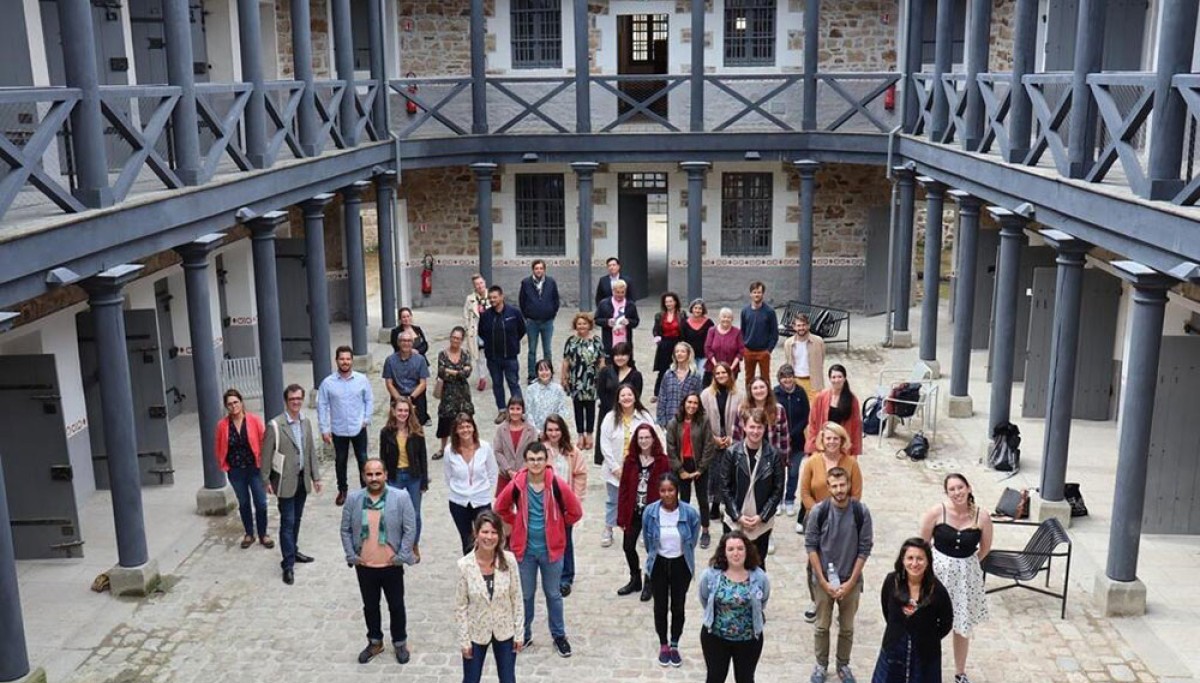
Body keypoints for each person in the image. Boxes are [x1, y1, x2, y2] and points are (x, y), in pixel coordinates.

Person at [495, 442, 584, 657]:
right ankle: (524, 634)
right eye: (532, 459)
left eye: (539, 459)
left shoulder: (557, 484)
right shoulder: (518, 484)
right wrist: (515, 521)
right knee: (525, 595)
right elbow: (500, 506)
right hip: (524, 551)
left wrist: (559, 524)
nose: (536, 463)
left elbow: (576, 511)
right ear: (526, 462)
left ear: (546, 461)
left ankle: (559, 635)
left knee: (553, 594)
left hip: (551, 551)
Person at [339, 458, 418, 665]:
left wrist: (402, 555)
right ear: (363, 476)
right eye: (369, 474)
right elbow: (345, 529)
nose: (374, 478)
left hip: (391, 565)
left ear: (385, 475)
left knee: (396, 605)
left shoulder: (400, 497)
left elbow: (410, 528)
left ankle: (399, 642)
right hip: (365, 565)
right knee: (370, 606)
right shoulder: (354, 499)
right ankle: (375, 642)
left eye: (377, 474)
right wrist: (351, 555)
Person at [918, 474, 992, 683]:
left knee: (962, 624)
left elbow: (985, 548)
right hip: (939, 572)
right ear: (947, 493)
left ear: (968, 488)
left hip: (966, 576)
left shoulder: (982, 517)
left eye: (960, 487)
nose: (957, 492)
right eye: (952, 489)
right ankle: (925, 668)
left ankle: (960, 672)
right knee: (930, 621)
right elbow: (922, 544)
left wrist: (966, 565)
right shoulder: (937, 512)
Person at [805, 467, 874, 683]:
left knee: (847, 628)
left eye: (842, 484)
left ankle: (843, 664)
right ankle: (821, 664)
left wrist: (851, 582)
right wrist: (823, 581)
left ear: (849, 484)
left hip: (850, 580)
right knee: (821, 626)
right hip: (823, 580)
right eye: (834, 486)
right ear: (828, 487)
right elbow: (811, 547)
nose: (839, 490)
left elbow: (864, 548)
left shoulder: (861, 512)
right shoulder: (819, 512)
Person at [800, 422, 865, 623]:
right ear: (822, 440)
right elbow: (805, 492)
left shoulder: (851, 464)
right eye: (828, 438)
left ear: (842, 440)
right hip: (816, 520)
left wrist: (842, 513)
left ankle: (844, 602)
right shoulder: (813, 462)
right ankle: (816, 600)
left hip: (845, 521)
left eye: (836, 438)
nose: (832, 442)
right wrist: (819, 514)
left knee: (845, 558)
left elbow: (856, 494)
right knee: (814, 560)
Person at [261, 384, 323, 585]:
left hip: (302, 479)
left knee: (297, 519)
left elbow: (310, 450)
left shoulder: (306, 422)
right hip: (285, 481)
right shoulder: (275, 425)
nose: (296, 402)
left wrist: (316, 477)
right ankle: (287, 564)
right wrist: (265, 480)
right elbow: (265, 455)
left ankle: (293, 551)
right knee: (287, 522)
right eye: (292, 399)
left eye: (298, 398)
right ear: (286, 401)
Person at [871, 538, 954, 683]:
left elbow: (946, 622)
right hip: (894, 647)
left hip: (925, 654)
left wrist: (927, 636)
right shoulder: (891, 582)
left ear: (928, 562)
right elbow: (887, 611)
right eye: (910, 558)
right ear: (902, 560)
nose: (914, 564)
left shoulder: (938, 591)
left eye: (920, 559)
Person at [456, 511, 524, 683]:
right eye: (485, 532)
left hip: (504, 629)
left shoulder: (509, 561)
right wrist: (464, 640)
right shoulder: (465, 566)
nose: (489, 537)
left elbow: (516, 597)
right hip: (477, 630)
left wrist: (519, 632)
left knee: (508, 679)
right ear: (476, 534)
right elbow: (461, 606)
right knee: (471, 679)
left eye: (494, 532)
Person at [643, 472, 701, 667]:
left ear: (677, 491)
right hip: (659, 563)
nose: (667, 494)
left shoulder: (690, 513)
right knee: (660, 606)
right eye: (663, 490)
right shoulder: (650, 512)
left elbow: (692, 540)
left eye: (670, 490)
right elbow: (648, 540)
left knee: (678, 606)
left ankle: (675, 643)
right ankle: (663, 644)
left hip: (680, 564)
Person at [698, 530, 770, 683]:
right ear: (724, 552)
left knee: (746, 679)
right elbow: (705, 598)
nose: (736, 553)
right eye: (731, 549)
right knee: (714, 678)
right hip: (715, 638)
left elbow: (762, 601)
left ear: (747, 551)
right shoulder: (710, 575)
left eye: (740, 548)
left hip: (748, 640)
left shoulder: (759, 577)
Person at [719, 408, 785, 569]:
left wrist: (762, 516)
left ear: (765, 428)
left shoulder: (774, 455)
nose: (755, 431)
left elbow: (778, 490)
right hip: (735, 520)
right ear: (744, 427)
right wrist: (737, 515)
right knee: (731, 564)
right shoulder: (732, 453)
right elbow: (725, 488)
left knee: (758, 564)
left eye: (759, 427)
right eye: (752, 427)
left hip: (761, 523)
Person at [615, 423, 671, 600]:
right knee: (628, 546)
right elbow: (624, 488)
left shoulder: (662, 461)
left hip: (653, 514)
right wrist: (621, 515)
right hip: (634, 511)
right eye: (641, 438)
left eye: (647, 437)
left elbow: (669, 489)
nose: (644, 441)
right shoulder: (631, 461)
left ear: (653, 439)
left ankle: (650, 581)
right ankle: (635, 578)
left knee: (652, 550)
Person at [598, 384, 656, 548]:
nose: (626, 398)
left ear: (635, 396)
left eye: (629, 394)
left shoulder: (644, 416)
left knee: (641, 500)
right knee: (613, 500)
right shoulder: (610, 418)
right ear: (618, 398)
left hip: (639, 468)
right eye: (623, 395)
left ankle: (644, 530)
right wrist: (615, 468)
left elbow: (652, 439)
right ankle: (608, 529)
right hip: (614, 469)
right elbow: (604, 444)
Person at [215, 388, 272, 549]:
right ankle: (249, 533)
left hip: (255, 468)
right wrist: (224, 464)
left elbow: (264, 442)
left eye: (236, 402)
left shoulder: (254, 420)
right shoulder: (222, 425)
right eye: (230, 404)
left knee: (261, 502)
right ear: (226, 407)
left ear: (241, 402)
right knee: (244, 502)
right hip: (236, 470)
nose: (233, 406)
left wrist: (266, 465)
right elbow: (218, 446)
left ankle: (263, 533)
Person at [318, 346, 374, 507]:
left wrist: (366, 419)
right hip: (339, 428)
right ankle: (342, 489)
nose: (345, 362)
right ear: (336, 360)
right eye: (342, 359)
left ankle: (366, 490)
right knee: (340, 460)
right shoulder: (327, 383)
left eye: (348, 359)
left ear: (352, 361)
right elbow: (322, 406)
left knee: (363, 459)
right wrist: (324, 429)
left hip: (358, 427)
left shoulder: (361, 379)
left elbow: (369, 399)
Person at [542, 414, 588, 596]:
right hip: (546, 503)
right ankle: (550, 573)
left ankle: (566, 576)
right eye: (550, 430)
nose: (553, 433)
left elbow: (580, 474)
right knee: (547, 540)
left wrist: (575, 499)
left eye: (556, 430)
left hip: (565, 503)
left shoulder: (572, 452)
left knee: (566, 539)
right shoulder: (541, 450)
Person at [666, 392, 717, 550]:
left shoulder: (704, 421)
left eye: (695, 403)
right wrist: (680, 470)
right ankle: (685, 529)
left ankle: (705, 530)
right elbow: (671, 448)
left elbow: (709, 445)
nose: (692, 406)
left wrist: (701, 469)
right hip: (682, 465)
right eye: (689, 402)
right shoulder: (674, 422)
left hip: (699, 465)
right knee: (683, 500)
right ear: (684, 403)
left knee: (703, 500)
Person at [380, 397, 429, 562]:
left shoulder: (417, 431)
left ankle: (414, 544)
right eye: (400, 410)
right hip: (395, 475)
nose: (403, 414)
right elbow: (382, 456)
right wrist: (384, 477)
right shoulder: (386, 432)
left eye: (406, 411)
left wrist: (424, 480)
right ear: (394, 412)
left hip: (413, 475)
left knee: (415, 513)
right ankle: (396, 545)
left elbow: (423, 457)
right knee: (394, 513)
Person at [443, 414, 500, 554]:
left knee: (485, 536)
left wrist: (482, 489)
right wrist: (460, 489)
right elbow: (448, 476)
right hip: (458, 501)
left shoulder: (484, 447)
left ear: (474, 428)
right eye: (461, 427)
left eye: (468, 426)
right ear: (456, 430)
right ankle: (469, 565)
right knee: (467, 539)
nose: (465, 430)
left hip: (481, 500)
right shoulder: (449, 450)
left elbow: (492, 472)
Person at [700, 362, 744, 531]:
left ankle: (728, 504)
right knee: (715, 473)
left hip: (732, 438)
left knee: (730, 473)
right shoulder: (706, 394)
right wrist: (714, 438)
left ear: (729, 374)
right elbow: (701, 419)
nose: (720, 376)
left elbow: (743, 417)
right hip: (712, 437)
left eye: (723, 373)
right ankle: (715, 504)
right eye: (717, 373)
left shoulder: (739, 394)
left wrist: (733, 438)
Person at [478, 285, 527, 425]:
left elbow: (522, 330)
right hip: (493, 358)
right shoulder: (486, 316)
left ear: (501, 296)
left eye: (495, 297)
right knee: (497, 384)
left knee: (513, 383)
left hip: (510, 357)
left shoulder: (514, 312)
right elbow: (481, 332)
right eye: (490, 298)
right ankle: (502, 410)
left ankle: (519, 411)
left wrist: (513, 343)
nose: (492, 300)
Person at [561, 312, 605, 452]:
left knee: (590, 407)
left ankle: (590, 434)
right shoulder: (571, 341)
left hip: (592, 379)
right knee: (578, 408)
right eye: (579, 324)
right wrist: (564, 377)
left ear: (589, 325)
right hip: (576, 379)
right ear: (575, 325)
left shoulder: (596, 341)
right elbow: (566, 360)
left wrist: (603, 377)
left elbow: (601, 360)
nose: (582, 326)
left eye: (584, 323)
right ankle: (580, 435)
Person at [774, 365, 811, 519]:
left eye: (790, 376)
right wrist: (783, 433)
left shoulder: (800, 392)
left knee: (793, 472)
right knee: (779, 473)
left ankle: (790, 499)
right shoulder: (775, 393)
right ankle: (778, 500)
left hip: (797, 441)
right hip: (779, 441)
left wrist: (793, 433)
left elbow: (806, 415)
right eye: (784, 377)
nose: (787, 380)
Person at [806, 364, 863, 457]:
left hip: (842, 445)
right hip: (824, 444)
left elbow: (856, 427)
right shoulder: (820, 397)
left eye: (840, 377)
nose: (837, 380)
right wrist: (812, 447)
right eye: (834, 377)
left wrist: (854, 452)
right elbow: (813, 423)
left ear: (844, 378)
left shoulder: (852, 400)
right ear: (829, 379)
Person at [518, 259, 561, 382]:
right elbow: (522, 301)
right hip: (532, 322)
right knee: (532, 350)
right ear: (533, 270)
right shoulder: (526, 283)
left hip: (547, 321)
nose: (539, 270)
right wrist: (526, 316)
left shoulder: (551, 282)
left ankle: (548, 373)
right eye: (536, 268)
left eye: (541, 268)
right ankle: (532, 374)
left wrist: (552, 313)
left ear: (544, 270)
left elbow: (556, 299)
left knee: (547, 350)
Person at [596, 341, 643, 449]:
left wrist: (622, 410)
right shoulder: (605, 372)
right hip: (607, 412)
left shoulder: (636, 375)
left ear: (629, 356)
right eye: (616, 355)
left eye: (623, 355)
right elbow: (601, 392)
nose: (619, 358)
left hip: (627, 415)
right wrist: (613, 410)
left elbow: (636, 396)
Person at [436, 326, 474, 457]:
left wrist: (451, 372)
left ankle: (465, 446)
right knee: (445, 421)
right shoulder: (442, 354)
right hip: (447, 393)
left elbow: (467, 373)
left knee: (465, 421)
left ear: (462, 340)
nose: (455, 340)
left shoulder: (465, 354)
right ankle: (443, 448)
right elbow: (441, 372)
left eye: (458, 338)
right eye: (453, 337)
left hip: (463, 394)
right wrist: (459, 372)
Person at [383, 330, 431, 427]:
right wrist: (399, 399)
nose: (406, 343)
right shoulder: (390, 360)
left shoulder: (420, 360)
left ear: (412, 343)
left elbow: (423, 383)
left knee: (417, 428)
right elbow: (389, 384)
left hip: (416, 396)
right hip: (397, 395)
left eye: (409, 341)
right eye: (403, 341)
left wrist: (410, 398)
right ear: (398, 343)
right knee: (396, 427)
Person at [493, 397, 539, 496]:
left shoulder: (531, 430)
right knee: (503, 504)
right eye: (512, 408)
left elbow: (533, 452)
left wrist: (521, 471)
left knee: (524, 503)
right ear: (508, 410)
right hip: (505, 476)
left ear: (523, 410)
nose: (515, 412)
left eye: (518, 409)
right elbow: (497, 451)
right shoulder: (501, 429)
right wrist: (509, 470)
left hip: (526, 476)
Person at [740, 282, 779, 392]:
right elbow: (742, 331)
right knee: (749, 378)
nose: (757, 295)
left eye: (759, 292)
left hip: (763, 351)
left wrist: (769, 350)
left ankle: (767, 398)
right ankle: (750, 398)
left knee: (765, 378)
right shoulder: (745, 311)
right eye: (754, 292)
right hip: (749, 350)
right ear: (750, 294)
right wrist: (743, 347)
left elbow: (774, 333)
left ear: (763, 294)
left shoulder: (770, 312)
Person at [782, 314, 826, 403]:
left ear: (808, 326)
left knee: (814, 408)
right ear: (794, 327)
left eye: (804, 325)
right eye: (798, 325)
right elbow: (788, 361)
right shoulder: (788, 343)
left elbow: (822, 359)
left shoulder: (818, 342)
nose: (801, 328)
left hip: (814, 381)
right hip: (796, 381)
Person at [656, 342, 703, 426]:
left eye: (682, 351)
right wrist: (661, 420)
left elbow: (699, 399)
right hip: (670, 420)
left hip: (689, 421)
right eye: (677, 351)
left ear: (688, 354)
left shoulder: (695, 376)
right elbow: (662, 398)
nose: (679, 354)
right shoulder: (668, 374)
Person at [651, 292, 684, 398]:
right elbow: (655, 331)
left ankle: (677, 391)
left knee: (678, 368)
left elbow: (684, 329)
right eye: (666, 302)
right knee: (663, 370)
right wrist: (658, 342)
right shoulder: (659, 315)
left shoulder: (681, 315)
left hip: (677, 344)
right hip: (664, 345)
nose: (668, 304)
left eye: (670, 301)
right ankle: (658, 393)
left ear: (675, 302)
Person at [525, 359, 571, 436]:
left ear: (551, 372)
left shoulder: (558, 389)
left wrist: (554, 429)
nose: (544, 373)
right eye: (541, 370)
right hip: (535, 434)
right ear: (537, 373)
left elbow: (562, 410)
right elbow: (528, 413)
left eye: (547, 370)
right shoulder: (530, 390)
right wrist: (537, 432)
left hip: (554, 433)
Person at [595, 279, 640, 356]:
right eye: (617, 292)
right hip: (609, 341)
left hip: (625, 341)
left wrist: (628, 321)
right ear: (613, 291)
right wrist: (607, 322)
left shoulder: (630, 305)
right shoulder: (604, 304)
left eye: (622, 292)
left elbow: (636, 321)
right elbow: (597, 320)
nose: (620, 295)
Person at [464, 273, 490, 392]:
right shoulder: (470, 299)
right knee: (479, 356)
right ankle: (482, 378)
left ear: (484, 283)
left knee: (492, 355)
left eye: (481, 283)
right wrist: (467, 329)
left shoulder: (492, 295)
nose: (480, 286)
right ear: (474, 286)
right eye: (477, 284)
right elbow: (466, 315)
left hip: (491, 331)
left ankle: (493, 374)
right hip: (477, 331)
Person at [705, 308, 745, 381]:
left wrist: (731, 367)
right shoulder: (712, 330)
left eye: (729, 317)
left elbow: (741, 351)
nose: (726, 319)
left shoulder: (737, 332)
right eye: (724, 317)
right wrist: (716, 366)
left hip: (731, 369)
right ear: (719, 318)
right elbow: (707, 349)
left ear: (732, 319)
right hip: (713, 367)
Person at [682, 298, 714, 384]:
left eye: (700, 308)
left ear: (703, 310)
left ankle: (700, 392)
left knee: (701, 376)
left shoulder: (709, 323)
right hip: (690, 356)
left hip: (704, 355)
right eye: (695, 308)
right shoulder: (685, 323)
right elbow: (682, 340)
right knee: (691, 377)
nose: (697, 310)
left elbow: (713, 338)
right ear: (692, 309)